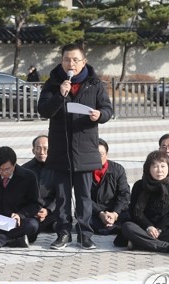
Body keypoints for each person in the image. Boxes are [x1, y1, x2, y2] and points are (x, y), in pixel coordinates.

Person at [38, 42, 113, 250]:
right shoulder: (53, 83)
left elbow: (107, 109)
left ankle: (84, 234)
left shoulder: (95, 84)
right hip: (61, 150)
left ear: (84, 62)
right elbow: (43, 110)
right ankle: (63, 233)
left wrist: (100, 115)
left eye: (75, 60)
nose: (71, 63)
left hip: (85, 149)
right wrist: (59, 95)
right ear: (61, 61)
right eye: (66, 59)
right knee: (62, 197)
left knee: (84, 196)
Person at [121, 151, 169, 254]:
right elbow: (135, 211)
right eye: (155, 166)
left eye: (163, 166)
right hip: (143, 228)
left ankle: (139, 243)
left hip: (165, 228)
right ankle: (166, 247)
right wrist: (148, 227)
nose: (159, 170)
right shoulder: (139, 185)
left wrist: (160, 228)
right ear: (148, 168)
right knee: (127, 227)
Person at [90, 138, 130, 235]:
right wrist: (100, 213)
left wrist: (115, 213)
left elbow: (124, 194)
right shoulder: (84, 172)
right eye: (93, 154)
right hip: (94, 212)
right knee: (83, 216)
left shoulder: (118, 169)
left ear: (106, 155)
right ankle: (112, 228)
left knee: (129, 215)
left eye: (100, 154)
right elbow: (83, 196)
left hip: (114, 210)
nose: (97, 157)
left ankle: (111, 225)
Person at [22, 135, 57, 240]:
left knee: (61, 221)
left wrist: (48, 210)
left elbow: (61, 194)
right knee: (31, 224)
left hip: (52, 211)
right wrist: (34, 210)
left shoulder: (58, 169)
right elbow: (21, 195)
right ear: (33, 150)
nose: (42, 152)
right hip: (32, 211)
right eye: (38, 148)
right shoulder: (24, 169)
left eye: (46, 148)